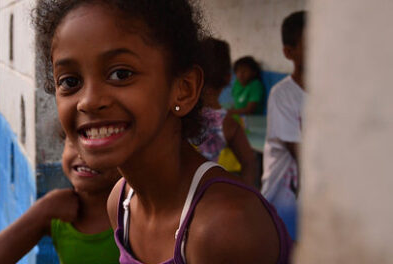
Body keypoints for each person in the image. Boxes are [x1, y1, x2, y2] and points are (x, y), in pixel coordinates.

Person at [33, 1, 292, 263]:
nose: (87, 101)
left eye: (121, 74)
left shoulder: (224, 228)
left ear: (184, 89)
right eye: (70, 81)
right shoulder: (121, 202)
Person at [0, 133, 121, 264]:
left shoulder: (131, 213)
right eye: (75, 141)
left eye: (101, 147)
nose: (84, 155)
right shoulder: (56, 214)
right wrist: (42, 210)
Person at [261, 10, 307, 241]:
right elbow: (301, 154)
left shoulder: (333, 94)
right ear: (289, 52)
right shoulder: (283, 95)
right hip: (283, 197)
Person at [198, 37, 257, 186]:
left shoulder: (175, 112)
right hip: (209, 197)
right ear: (228, 78)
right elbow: (250, 163)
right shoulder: (227, 122)